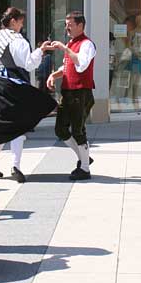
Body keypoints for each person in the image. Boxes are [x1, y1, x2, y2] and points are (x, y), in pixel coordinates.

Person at [0, 7, 57, 183]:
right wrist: (41, 50)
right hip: (15, 86)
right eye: (21, 21)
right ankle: (15, 165)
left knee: (5, 126)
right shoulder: (18, 40)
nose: (22, 25)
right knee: (19, 125)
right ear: (13, 21)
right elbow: (29, 64)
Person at [46, 11, 97, 181]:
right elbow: (67, 67)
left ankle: (84, 168)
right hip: (68, 91)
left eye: (70, 24)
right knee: (60, 129)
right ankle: (84, 158)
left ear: (80, 25)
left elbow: (81, 65)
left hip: (80, 92)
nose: (67, 27)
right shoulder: (72, 43)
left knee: (77, 130)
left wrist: (65, 48)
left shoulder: (87, 44)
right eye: (66, 24)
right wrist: (54, 75)